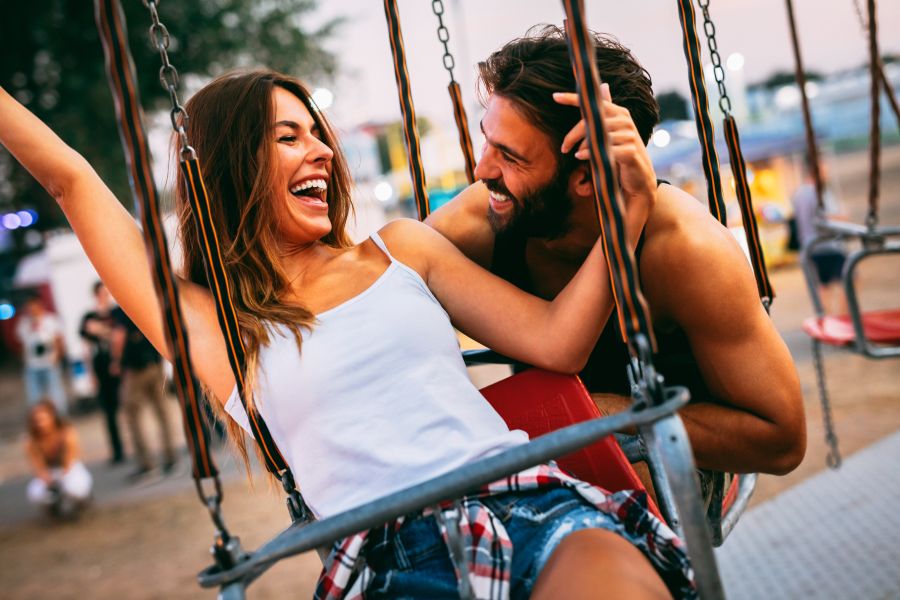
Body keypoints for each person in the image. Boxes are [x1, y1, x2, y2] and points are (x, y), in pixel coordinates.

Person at [0, 71, 694, 598]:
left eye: (318, 133)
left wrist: (628, 211)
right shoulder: (220, 329)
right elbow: (69, 181)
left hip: (526, 504)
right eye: (288, 138)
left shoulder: (401, 250)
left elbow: (557, 341)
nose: (322, 152)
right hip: (389, 562)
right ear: (234, 166)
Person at [426, 26, 806, 481]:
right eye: (487, 140)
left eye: (510, 157)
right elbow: (381, 286)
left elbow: (782, 440)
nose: (481, 169)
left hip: (672, 464)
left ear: (587, 177)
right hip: (551, 453)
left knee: (621, 471)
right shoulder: (485, 218)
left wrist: (604, 414)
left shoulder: (686, 249)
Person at [111, 306, 176, 479]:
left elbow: (119, 336)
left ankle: (146, 463)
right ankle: (170, 456)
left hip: (135, 370)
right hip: (155, 364)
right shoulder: (150, 302)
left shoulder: (123, 306)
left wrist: (116, 361)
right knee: (163, 413)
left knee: (133, 416)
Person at [791, 159, 848, 316]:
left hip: (809, 244)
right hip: (826, 245)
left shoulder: (799, 193)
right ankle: (841, 317)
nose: (826, 173)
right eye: (824, 169)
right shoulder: (818, 193)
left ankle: (829, 318)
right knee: (850, 279)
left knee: (824, 286)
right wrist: (842, 216)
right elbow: (824, 219)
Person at [79, 281, 125, 464]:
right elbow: (86, 347)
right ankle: (117, 450)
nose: (104, 297)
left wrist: (101, 330)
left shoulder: (117, 313)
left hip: (119, 364)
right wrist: (90, 373)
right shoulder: (89, 316)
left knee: (128, 406)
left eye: (107, 293)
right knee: (109, 411)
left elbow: (120, 336)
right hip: (100, 365)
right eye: (101, 294)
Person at [25, 400, 93, 518]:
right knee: (35, 493)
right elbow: (38, 467)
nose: (40, 424)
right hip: (50, 473)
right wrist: (49, 482)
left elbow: (69, 462)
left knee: (75, 489)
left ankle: (80, 502)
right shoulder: (31, 441)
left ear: (52, 417)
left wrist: (60, 482)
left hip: (70, 469)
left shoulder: (66, 433)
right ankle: (54, 507)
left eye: (43, 419)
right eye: (36, 421)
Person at [15, 295, 68, 415]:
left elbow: (59, 340)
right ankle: (38, 417)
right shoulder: (24, 323)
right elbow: (21, 344)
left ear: (40, 306)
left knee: (56, 394)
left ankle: (60, 417)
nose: (32, 310)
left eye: (34, 307)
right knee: (34, 396)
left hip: (49, 363)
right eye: (29, 308)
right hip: (32, 365)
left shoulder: (51, 320)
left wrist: (57, 356)